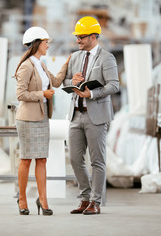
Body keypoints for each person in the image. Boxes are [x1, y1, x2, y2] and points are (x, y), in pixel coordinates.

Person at [63, 16, 119, 215]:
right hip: (76, 115)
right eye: (77, 36)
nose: (78, 40)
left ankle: (95, 201)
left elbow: (114, 85)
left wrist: (92, 93)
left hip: (96, 116)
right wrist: (72, 80)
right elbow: (65, 82)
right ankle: (85, 198)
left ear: (94, 37)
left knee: (97, 161)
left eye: (82, 37)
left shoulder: (107, 58)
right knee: (75, 159)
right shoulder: (75, 57)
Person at [14, 26, 70, 216]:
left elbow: (55, 82)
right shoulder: (26, 66)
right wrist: (42, 94)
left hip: (42, 117)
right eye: (46, 42)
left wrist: (67, 65)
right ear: (37, 43)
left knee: (42, 159)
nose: (48, 45)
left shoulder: (41, 64)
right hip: (28, 119)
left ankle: (43, 200)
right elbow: (21, 94)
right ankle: (22, 200)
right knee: (26, 160)